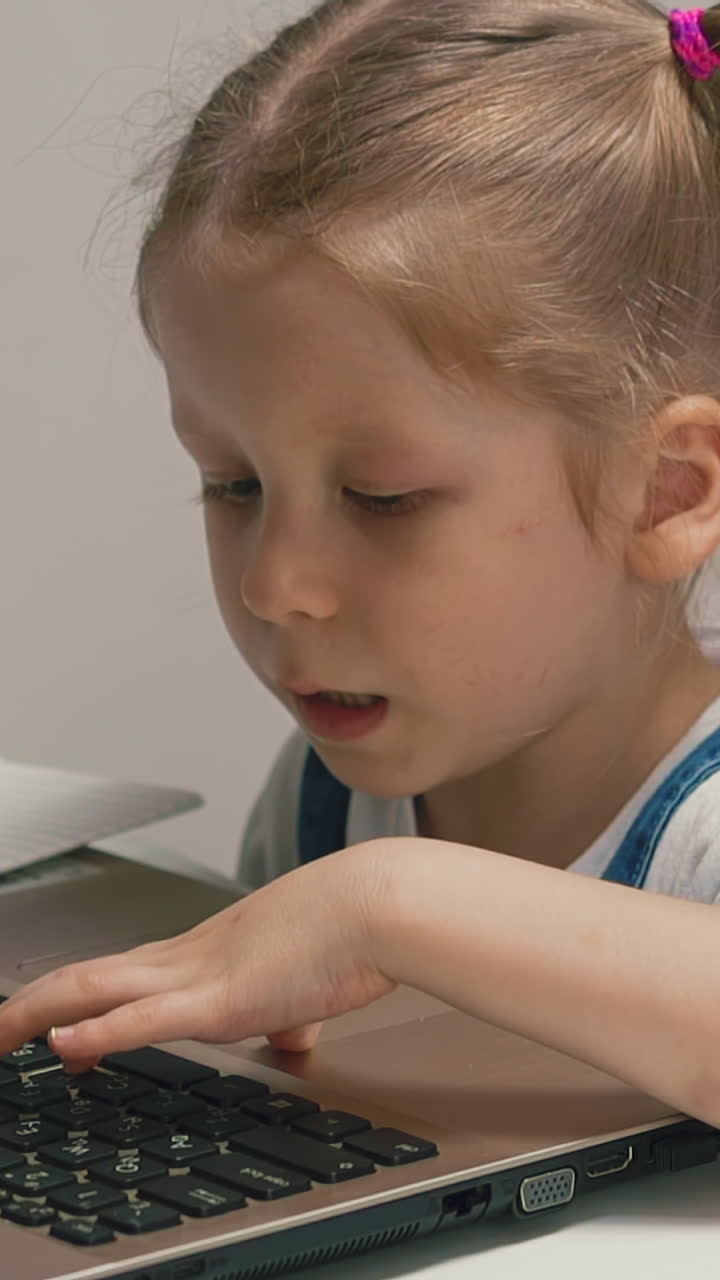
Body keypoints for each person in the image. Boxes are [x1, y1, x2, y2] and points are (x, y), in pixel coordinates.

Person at [4, 0, 720, 1127]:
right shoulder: (331, 791)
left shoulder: (699, 827)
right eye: (232, 483)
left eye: (383, 498)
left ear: (667, 491)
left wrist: (388, 905)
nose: (274, 582)